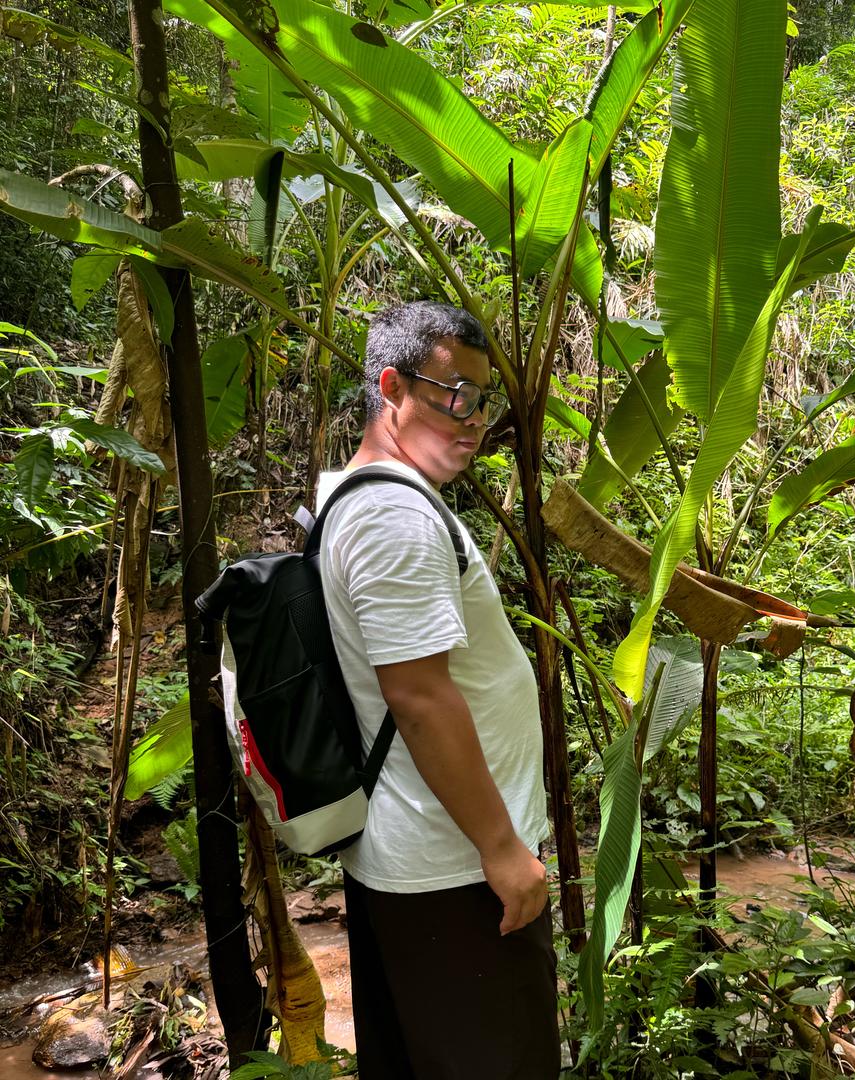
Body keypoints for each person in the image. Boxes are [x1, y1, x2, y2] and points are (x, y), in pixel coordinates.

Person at [316, 301, 559, 1079]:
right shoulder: (394, 515)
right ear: (391, 387)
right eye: (454, 393)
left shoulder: (357, 498)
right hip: (453, 871)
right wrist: (502, 849)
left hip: (414, 860)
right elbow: (419, 697)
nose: (474, 418)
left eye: (484, 400)